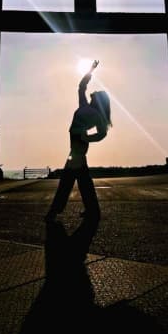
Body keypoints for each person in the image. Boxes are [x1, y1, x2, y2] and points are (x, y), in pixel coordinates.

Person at [44, 60, 112, 222]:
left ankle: (54, 211)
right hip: (75, 142)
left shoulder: (97, 116)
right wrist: (90, 70)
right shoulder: (84, 105)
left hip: (79, 144)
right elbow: (81, 86)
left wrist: (86, 137)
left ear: (99, 101)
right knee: (82, 179)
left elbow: (102, 134)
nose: (91, 95)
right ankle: (92, 210)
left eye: (94, 95)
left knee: (68, 178)